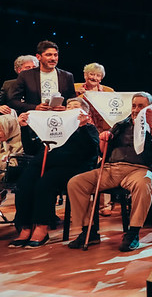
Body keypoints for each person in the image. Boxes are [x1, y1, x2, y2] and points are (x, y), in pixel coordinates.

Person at [66, 92, 152, 251]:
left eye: (141, 106)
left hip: (140, 169)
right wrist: (104, 139)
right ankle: (89, 230)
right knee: (76, 183)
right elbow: (103, 153)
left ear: (149, 107)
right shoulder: (122, 125)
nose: (136, 109)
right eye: (134, 105)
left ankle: (133, 232)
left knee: (145, 183)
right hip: (113, 168)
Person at [10, 97, 99, 248]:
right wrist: (24, 128)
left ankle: (41, 227)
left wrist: (82, 127)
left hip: (70, 167)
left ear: (86, 112)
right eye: (68, 106)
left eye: (75, 107)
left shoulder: (88, 128)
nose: (70, 109)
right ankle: (25, 227)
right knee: (24, 184)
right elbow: (32, 150)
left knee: (44, 184)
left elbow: (92, 150)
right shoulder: (56, 127)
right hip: (43, 163)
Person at [9, 40, 76, 113]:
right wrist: (35, 107)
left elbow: (72, 100)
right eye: (48, 55)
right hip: (35, 119)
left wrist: (66, 108)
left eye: (55, 55)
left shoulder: (67, 76)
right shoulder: (25, 75)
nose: (53, 58)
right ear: (38, 57)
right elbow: (13, 101)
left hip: (60, 118)